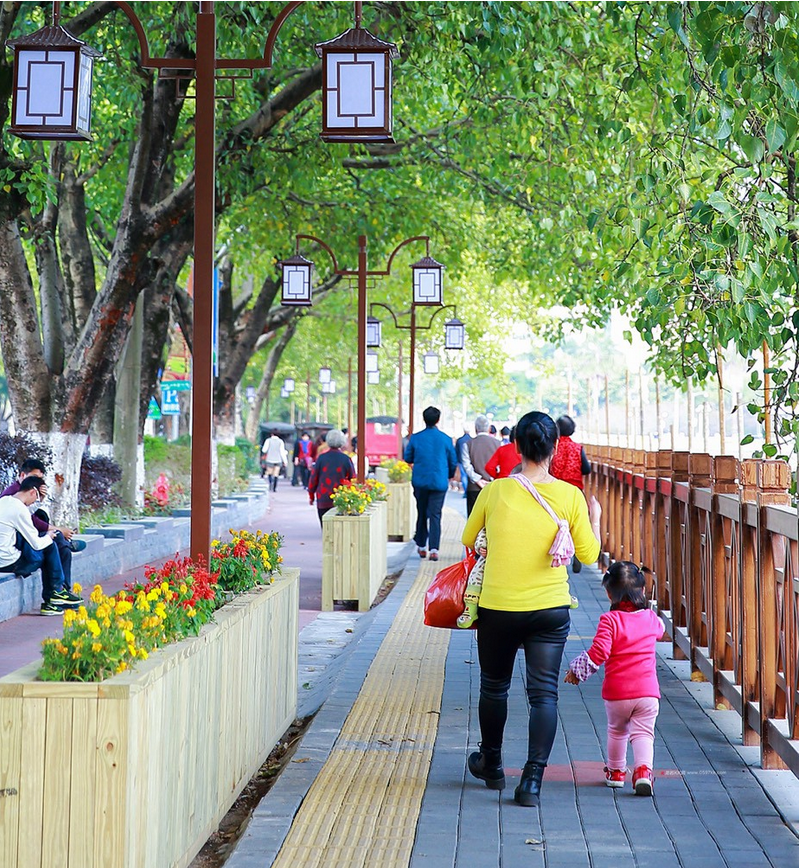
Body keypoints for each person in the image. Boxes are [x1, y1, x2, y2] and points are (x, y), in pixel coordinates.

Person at [462, 410, 601, 807]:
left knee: (494, 686)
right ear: (554, 447)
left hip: (498, 606)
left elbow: (469, 538)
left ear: (517, 446)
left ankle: (491, 764)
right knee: (543, 695)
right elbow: (589, 555)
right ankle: (532, 782)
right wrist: (594, 519)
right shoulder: (570, 496)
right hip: (550, 609)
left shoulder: (495, 492)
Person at [565, 561, 664, 797]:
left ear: (609, 594)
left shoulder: (609, 621)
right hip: (647, 692)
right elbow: (660, 630)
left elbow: (599, 652)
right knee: (643, 733)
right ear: (643, 590)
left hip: (617, 693)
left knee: (617, 731)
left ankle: (616, 773)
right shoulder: (651, 618)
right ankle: (643, 772)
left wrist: (577, 671)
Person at [1, 458, 87, 596]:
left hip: (13, 548)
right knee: (50, 547)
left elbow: (30, 515)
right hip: (10, 558)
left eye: (41, 479)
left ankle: (61, 590)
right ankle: (56, 594)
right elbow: (31, 527)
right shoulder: (12, 497)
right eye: (35, 478)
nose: (39, 483)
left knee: (60, 547)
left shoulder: (11, 499)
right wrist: (52, 533)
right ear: (23, 476)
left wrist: (40, 501)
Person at [403, 406, 457, 562]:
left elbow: (408, 457)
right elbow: (453, 461)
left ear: (424, 419)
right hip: (439, 481)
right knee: (435, 515)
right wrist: (449, 475)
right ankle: (434, 549)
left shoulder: (416, 438)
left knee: (421, 512)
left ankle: (421, 545)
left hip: (420, 481)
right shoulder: (446, 439)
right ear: (438, 419)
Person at [550, 415, 593, 572]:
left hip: (554, 488)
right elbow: (586, 469)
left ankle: (556, 551)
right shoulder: (577, 448)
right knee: (576, 521)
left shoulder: (552, 447)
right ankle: (576, 553)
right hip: (575, 490)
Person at [308, 429, 355, 526]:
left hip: (323, 498)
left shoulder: (321, 458)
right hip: (341, 499)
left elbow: (314, 478)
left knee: (325, 528)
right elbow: (353, 479)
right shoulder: (346, 459)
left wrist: (311, 496)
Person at [461, 414, 497, 517]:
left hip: (473, 488)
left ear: (475, 428)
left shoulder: (468, 444)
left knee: (474, 520)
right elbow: (499, 466)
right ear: (489, 428)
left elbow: (466, 465)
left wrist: (477, 479)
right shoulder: (498, 444)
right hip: (492, 487)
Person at [455, 427, 472, 499]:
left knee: (463, 476)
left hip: (461, 460)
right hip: (470, 460)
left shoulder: (459, 440)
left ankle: (466, 491)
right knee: (469, 476)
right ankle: (468, 491)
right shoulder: (472, 440)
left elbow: (456, 451)